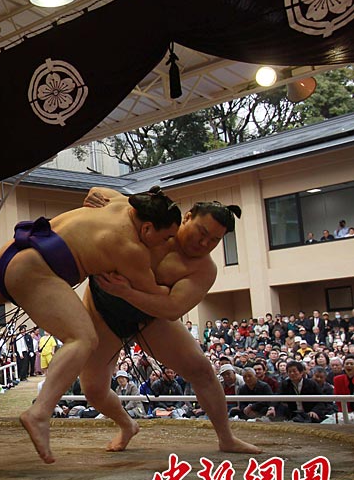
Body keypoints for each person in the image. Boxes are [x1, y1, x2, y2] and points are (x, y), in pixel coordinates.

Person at [0, 188, 181, 463]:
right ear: (147, 228)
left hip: (19, 247)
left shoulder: (118, 201)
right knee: (83, 339)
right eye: (167, 237)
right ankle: (39, 412)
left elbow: (94, 192)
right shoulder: (132, 249)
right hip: (38, 270)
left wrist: (91, 208)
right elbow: (158, 294)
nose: (169, 244)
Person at [77, 193, 261, 455]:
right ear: (187, 217)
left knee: (201, 370)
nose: (204, 243)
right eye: (202, 232)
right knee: (93, 390)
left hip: (150, 316)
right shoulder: (155, 216)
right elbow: (103, 194)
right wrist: (97, 200)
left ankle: (226, 438)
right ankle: (127, 425)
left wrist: (127, 292)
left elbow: (173, 309)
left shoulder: (203, 269)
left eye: (214, 240)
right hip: (102, 307)